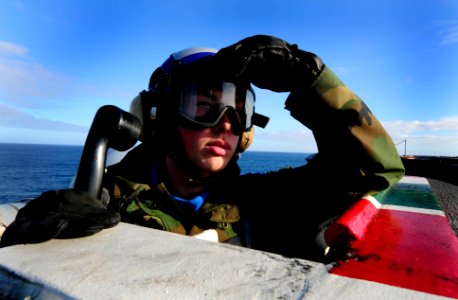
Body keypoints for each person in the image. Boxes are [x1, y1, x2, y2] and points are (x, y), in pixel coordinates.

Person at [0, 35, 405, 262]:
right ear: (161, 118)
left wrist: (310, 79)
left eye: (238, 110)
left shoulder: (265, 204)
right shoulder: (105, 200)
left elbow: (376, 171)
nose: (225, 124)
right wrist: (35, 234)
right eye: (204, 108)